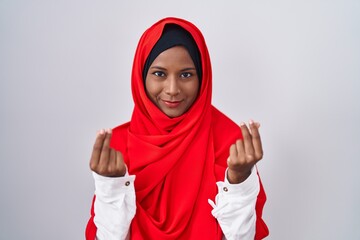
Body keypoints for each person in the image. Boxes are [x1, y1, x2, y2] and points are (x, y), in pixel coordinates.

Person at [85, 17, 269, 240]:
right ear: (141, 76)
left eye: (186, 75)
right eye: (159, 74)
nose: (172, 89)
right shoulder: (116, 148)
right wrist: (112, 189)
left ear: (202, 77)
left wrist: (239, 181)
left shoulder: (232, 144)